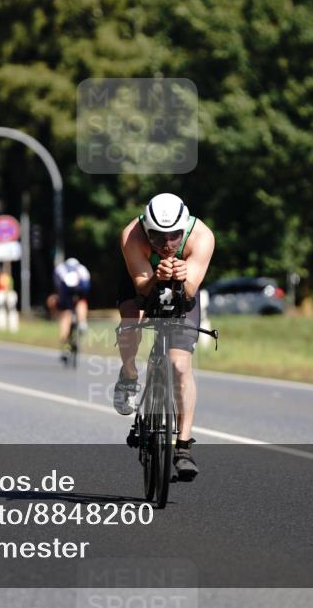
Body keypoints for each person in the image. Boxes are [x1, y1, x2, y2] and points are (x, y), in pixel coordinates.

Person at [114, 193, 215, 481]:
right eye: (158, 237)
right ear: (147, 229)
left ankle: (183, 447)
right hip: (142, 279)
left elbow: (191, 291)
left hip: (183, 290)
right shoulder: (132, 236)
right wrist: (158, 277)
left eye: (174, 237)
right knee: (132, 318)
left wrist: (182, 277)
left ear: (185, 229)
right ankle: (129, 374)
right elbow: (143, 289)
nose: (167, 244)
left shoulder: (202, 236)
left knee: (180, 365)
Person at [53, 257, 90, 362]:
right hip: (81, 287)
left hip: (65, 289)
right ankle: (82, 322)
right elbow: (87, 285)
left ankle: (65, 346)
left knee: (65, 316)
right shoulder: (82, 268)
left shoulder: (60, 268)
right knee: (81, 302)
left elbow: (57, 285)